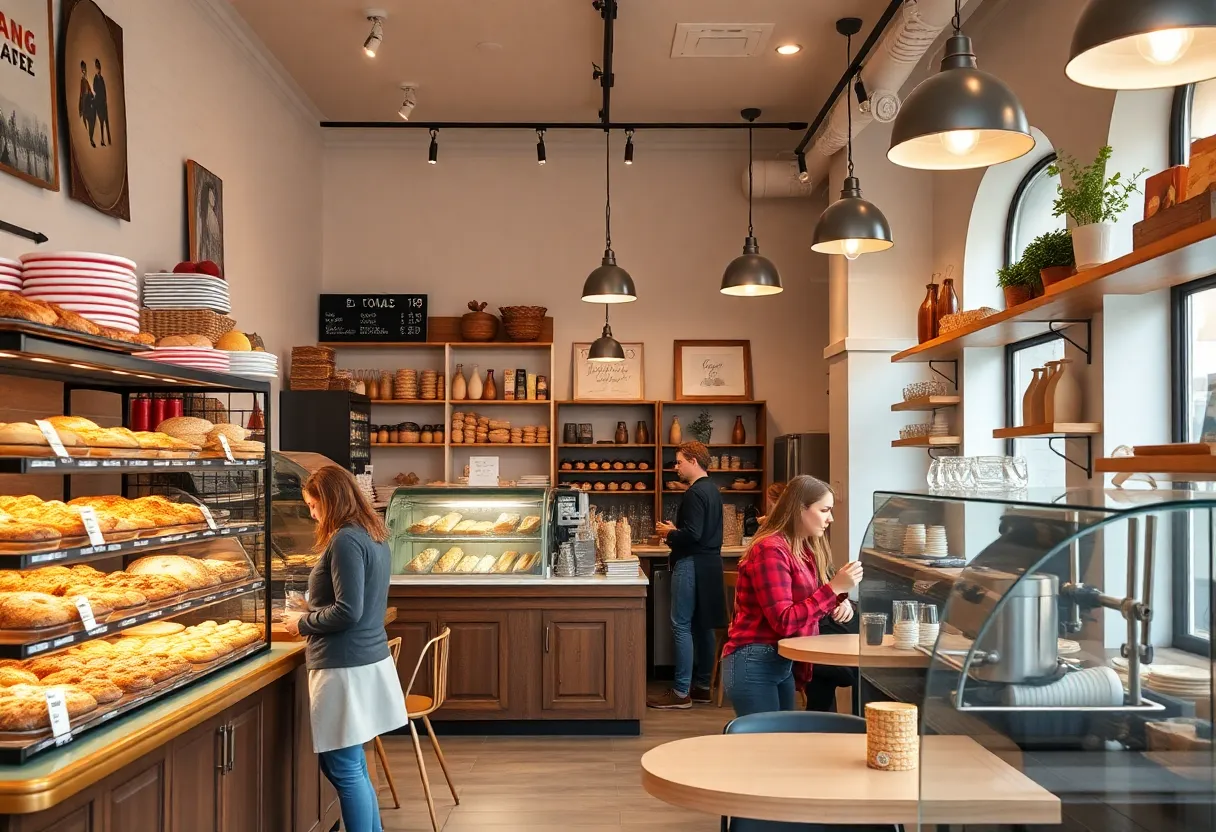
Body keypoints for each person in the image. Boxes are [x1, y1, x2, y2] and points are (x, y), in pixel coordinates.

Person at [282, 465, 407, 832]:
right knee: (352, 764)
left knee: (343, 765)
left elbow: (348, 611)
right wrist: (314, 608)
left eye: (312, 504)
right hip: (366, 659)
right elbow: (358, 603)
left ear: (329, 500)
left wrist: (301, 622)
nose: (311, 512)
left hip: (343, 664)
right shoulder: (373, 532)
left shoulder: (345, 540)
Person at [721, 475, 863, 716]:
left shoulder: (801, 548)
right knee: (766, 746)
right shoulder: (770, 550)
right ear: (800, 509)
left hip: (780, 661)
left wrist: (840, 601)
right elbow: (784, 621)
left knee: (780, 744)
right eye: (825, 510)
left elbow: (806, 598)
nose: (831, 518)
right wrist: (834, 589)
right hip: (754, 660)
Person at [648, 441, 727, 709]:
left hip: (692, 563)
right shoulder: (713, 490)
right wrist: (677, 530)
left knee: (681, 625)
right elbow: (703, 532)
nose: (676, 467)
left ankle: (681, 692)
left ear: (694, 461)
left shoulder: (694, 493)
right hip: (710, 563)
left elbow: (692, 535)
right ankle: (703, 687)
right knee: (701, 625)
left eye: (679, 461)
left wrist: (670, 533)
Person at [77, 61, 95, 148]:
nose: (84, 71)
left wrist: (91, 94)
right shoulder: (82, 80)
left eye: (85, 69)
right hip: (85, 102)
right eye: (83, 69)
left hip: (88, 101)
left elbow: (90, 91)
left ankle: (91, 138)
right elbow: (82, 94)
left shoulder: (86, 80)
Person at [92, 59, 110, 147]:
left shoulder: (101, 78)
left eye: (99, 68)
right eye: (97, 68)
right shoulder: (95, 78)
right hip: (98, 102)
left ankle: (105, 139)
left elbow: (104, 90)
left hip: (102, 102)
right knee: (100, 121)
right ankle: (102, 139)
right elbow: (95, 89)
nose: (98, 69)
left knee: (104, 121)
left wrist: (105, 99)